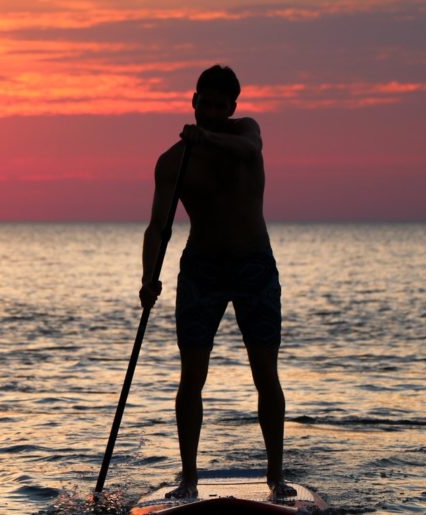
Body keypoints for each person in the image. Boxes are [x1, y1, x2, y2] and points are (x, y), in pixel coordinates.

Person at [139, 64, 296, 499]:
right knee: (192, 377)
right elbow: (157, 228)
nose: (207, 111)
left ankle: (276, 478)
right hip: (202, 270)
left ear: (231, 108)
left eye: (217, 105)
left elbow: (250, 150)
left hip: (254, 267)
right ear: (192, 102)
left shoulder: (246, 132)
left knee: (266, 374)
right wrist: (148, 277)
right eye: (202, 103)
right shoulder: (173, 162)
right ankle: (188, 478)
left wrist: (207, 139)